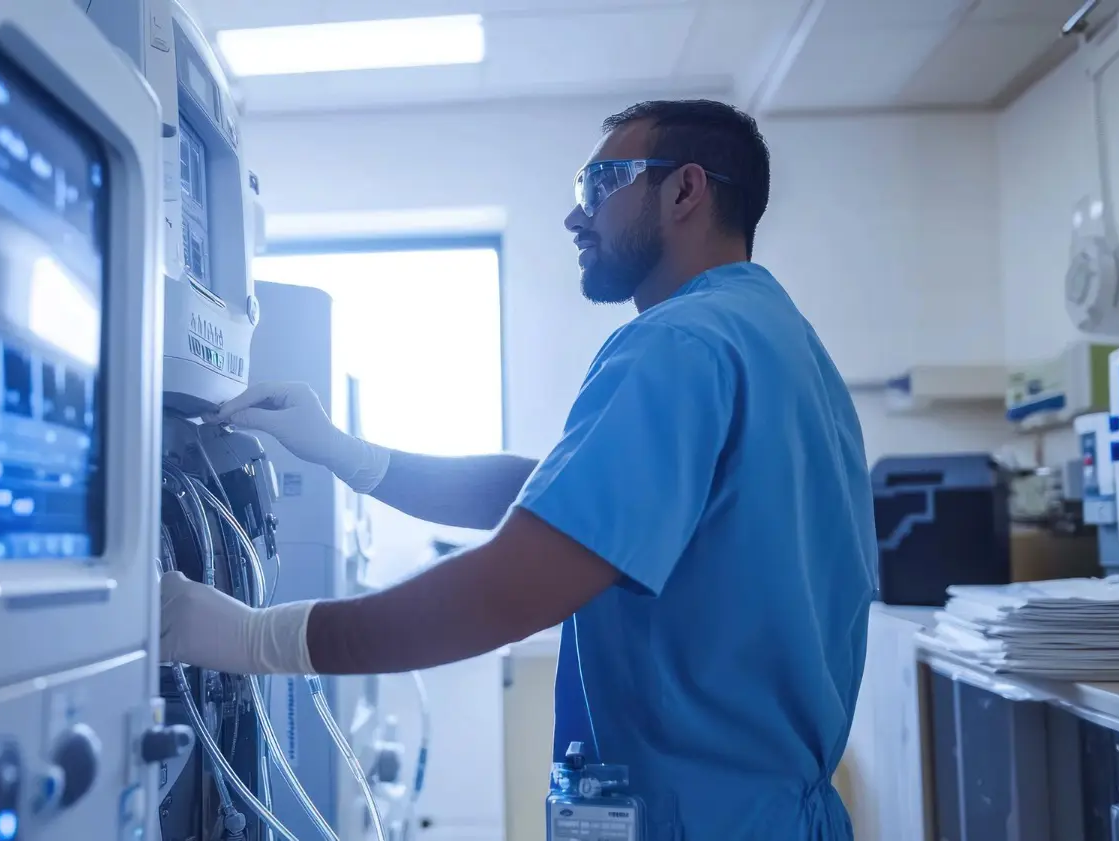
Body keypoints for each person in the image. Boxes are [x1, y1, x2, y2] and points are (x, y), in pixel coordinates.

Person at [160, 99, 877, 840]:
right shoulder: (786, 348)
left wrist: (255, 640)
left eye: (600, 185)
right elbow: (553, 495)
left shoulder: (679, 343)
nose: (576, 217)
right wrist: (353, 456)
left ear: (685, 191)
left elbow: (507, 589)